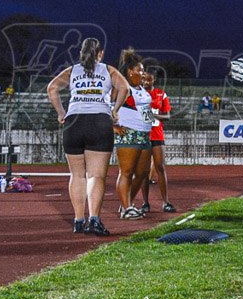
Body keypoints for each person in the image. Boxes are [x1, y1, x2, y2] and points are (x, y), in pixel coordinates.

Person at [47, 37, 129, 237]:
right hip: (99, 121)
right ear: (100, 54)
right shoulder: (108, 70)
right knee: (96, 175)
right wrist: (115, 110)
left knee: (76, 175)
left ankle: (78, 220)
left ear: (81, 54)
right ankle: (94, 219)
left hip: (74, 121)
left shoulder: (73, 71)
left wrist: (61, 112)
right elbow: (125, 88)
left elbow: (52, 88)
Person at [114, 49, 154, 220]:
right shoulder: (123, 87)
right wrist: (113, 125)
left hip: (144, 134)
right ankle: (126, 207)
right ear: (130, 72)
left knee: (143, 172)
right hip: (129, 132)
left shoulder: (142, 89)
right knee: (127, 171)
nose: (143, 73)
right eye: (140, 70)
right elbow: (107, 104)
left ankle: (127, 202)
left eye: (143, 70)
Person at [134, 70, 176, 214]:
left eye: (149, 80)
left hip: (157, 135)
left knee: (160, 167)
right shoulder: (137, 94)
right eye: (144, 79)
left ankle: (166, 202)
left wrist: (154, 115)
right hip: (143, 135)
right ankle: (145, 203)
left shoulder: (161, 94)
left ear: (154, 80)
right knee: (144, 171)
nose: (146, 82)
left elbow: (168, 116)